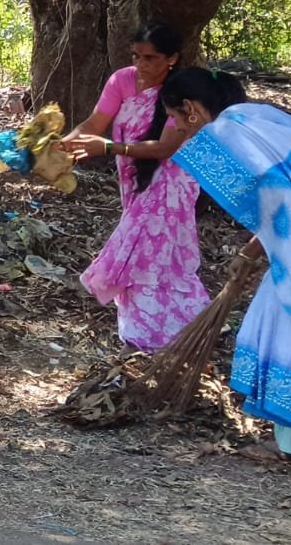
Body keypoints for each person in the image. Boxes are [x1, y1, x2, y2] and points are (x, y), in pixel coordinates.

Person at [162, 69, 291, 460]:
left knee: (278, 335)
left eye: (175, 118)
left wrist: (253, 255)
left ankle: (290, 445)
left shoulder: (224, 135)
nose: (178, 129)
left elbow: (276, 204)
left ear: (190, 109)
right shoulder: (256, 115)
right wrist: (251, 254)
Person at [60, 23, 211, 351]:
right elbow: (94, 125)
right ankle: (143, 329)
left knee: (151, 254)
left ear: (171, 58)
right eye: (136, 56)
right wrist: (62, 145)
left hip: (171, 182)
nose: (141, 65)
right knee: (141, 251)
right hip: (133, 178)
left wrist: (109, 148)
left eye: (151, 58)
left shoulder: (179, 91)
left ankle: (169, 332)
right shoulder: (122, 80)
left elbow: (164, 148)